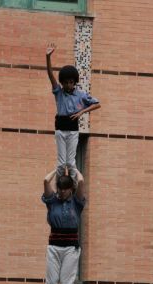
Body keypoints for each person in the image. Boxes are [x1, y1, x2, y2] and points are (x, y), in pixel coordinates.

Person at [46, 43, 100, 182]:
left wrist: (81, 112)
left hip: (73, 128)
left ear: (74, 82)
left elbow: (97, 104)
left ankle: (75, 187)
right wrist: (48, 57)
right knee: (61, 163)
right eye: (65, 82)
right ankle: (59, 189)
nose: (68, 85)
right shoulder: (59, 92)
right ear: (62, 83)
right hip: (60, 127)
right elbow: (50, 75)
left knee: (70, 163)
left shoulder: (80, 95)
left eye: (71, 82)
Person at [42, 168, 85, 284]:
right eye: (60, 189)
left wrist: (74, 169)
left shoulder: (76, 203)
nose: (61, 192)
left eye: (65, 189)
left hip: (71, 248)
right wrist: (57, 169)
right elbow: (45, 180)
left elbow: (81, 181)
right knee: (52, 283)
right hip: (54, 247)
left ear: (70, 189)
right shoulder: (52, 201)